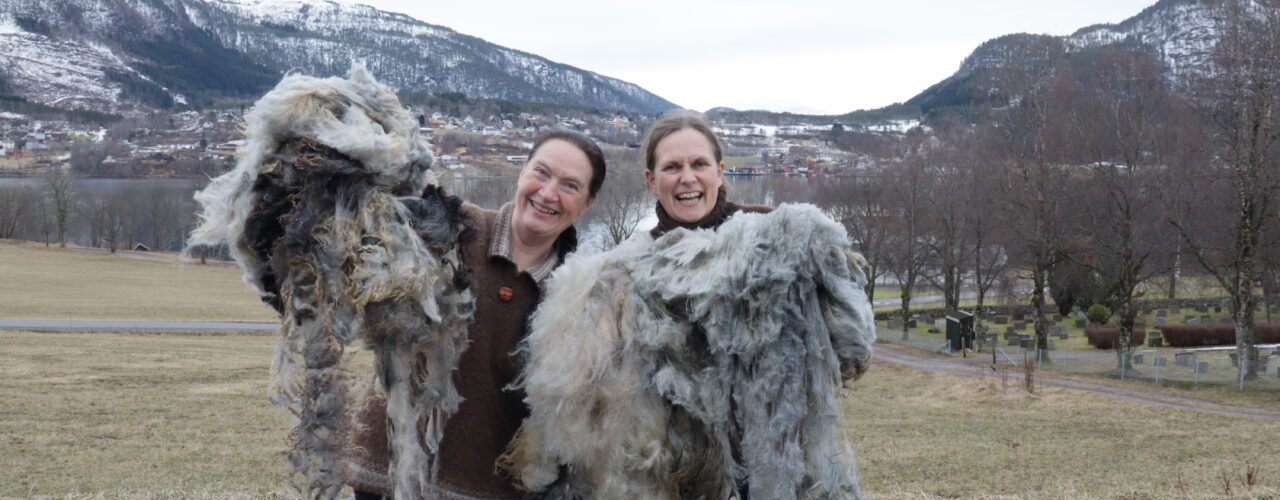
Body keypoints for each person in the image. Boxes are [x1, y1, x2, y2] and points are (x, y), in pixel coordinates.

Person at [502, 110, 875, 499]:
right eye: (672, 167)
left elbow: (850, 351)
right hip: (670, 478)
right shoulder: (623, 271)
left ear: (719, 171)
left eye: (699, 164)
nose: (687, 179)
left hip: (773, 471)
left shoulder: (776, 242)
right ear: (651, 180)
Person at [347, 129, 606, 500]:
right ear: (523, 172)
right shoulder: (450, 226)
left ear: (587, 203)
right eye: (542, 173)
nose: (548, 193)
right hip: (391, 478)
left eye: (570, 185)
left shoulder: (580, 296)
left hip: (488, 490)